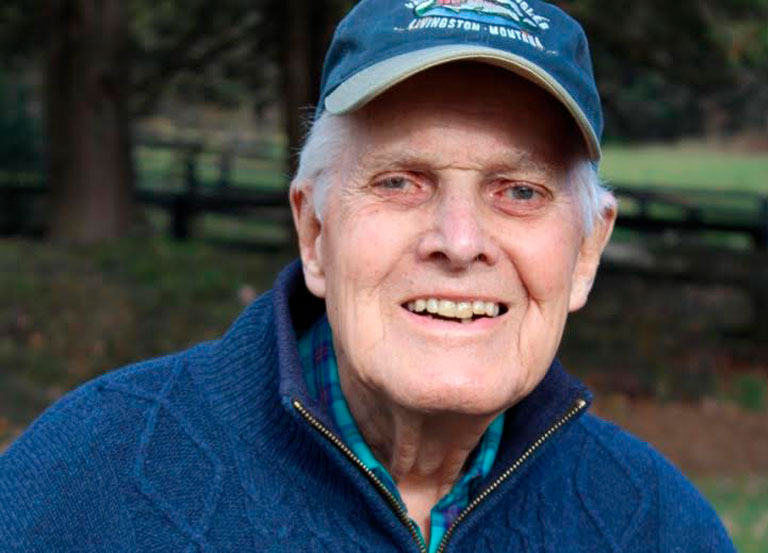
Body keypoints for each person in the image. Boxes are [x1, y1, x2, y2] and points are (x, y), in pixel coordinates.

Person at [0, 1, 735, 551]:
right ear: (316, 232)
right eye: (399, 182)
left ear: (586, 252)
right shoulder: (87, 480)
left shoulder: (659, 526)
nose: (459, 242)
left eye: (519, 191)